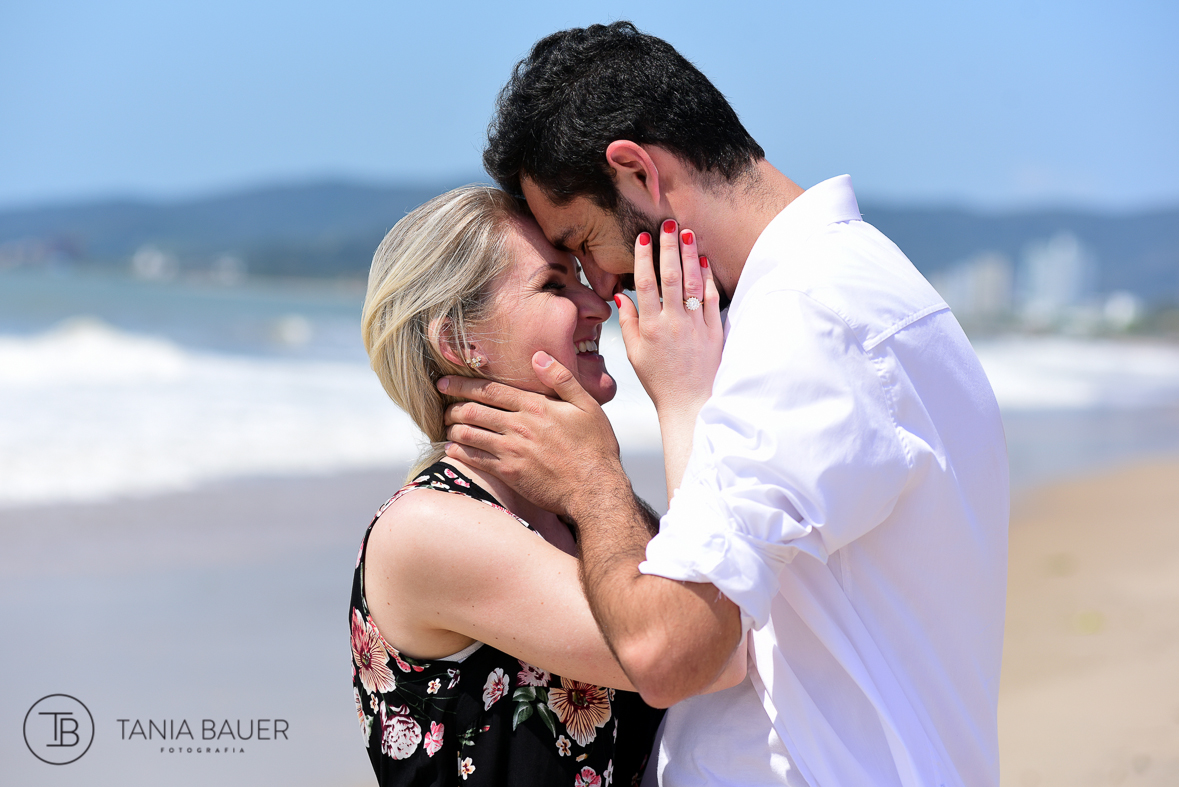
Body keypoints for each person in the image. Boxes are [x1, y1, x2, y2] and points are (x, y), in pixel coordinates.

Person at [438, 22, 1009, 787]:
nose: (599, 287)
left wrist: (592, 478)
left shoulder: (804, 325)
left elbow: (670, 650)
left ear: (636, 172)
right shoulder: (853, 287)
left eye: (581, 241)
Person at [350, 184, 741, 786]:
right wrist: (683, 401)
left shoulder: (583, 512)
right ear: (460, 342)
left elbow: (728, 632)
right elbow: (697, 654)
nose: (598, 305)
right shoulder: (426, 527)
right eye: (555, 286)